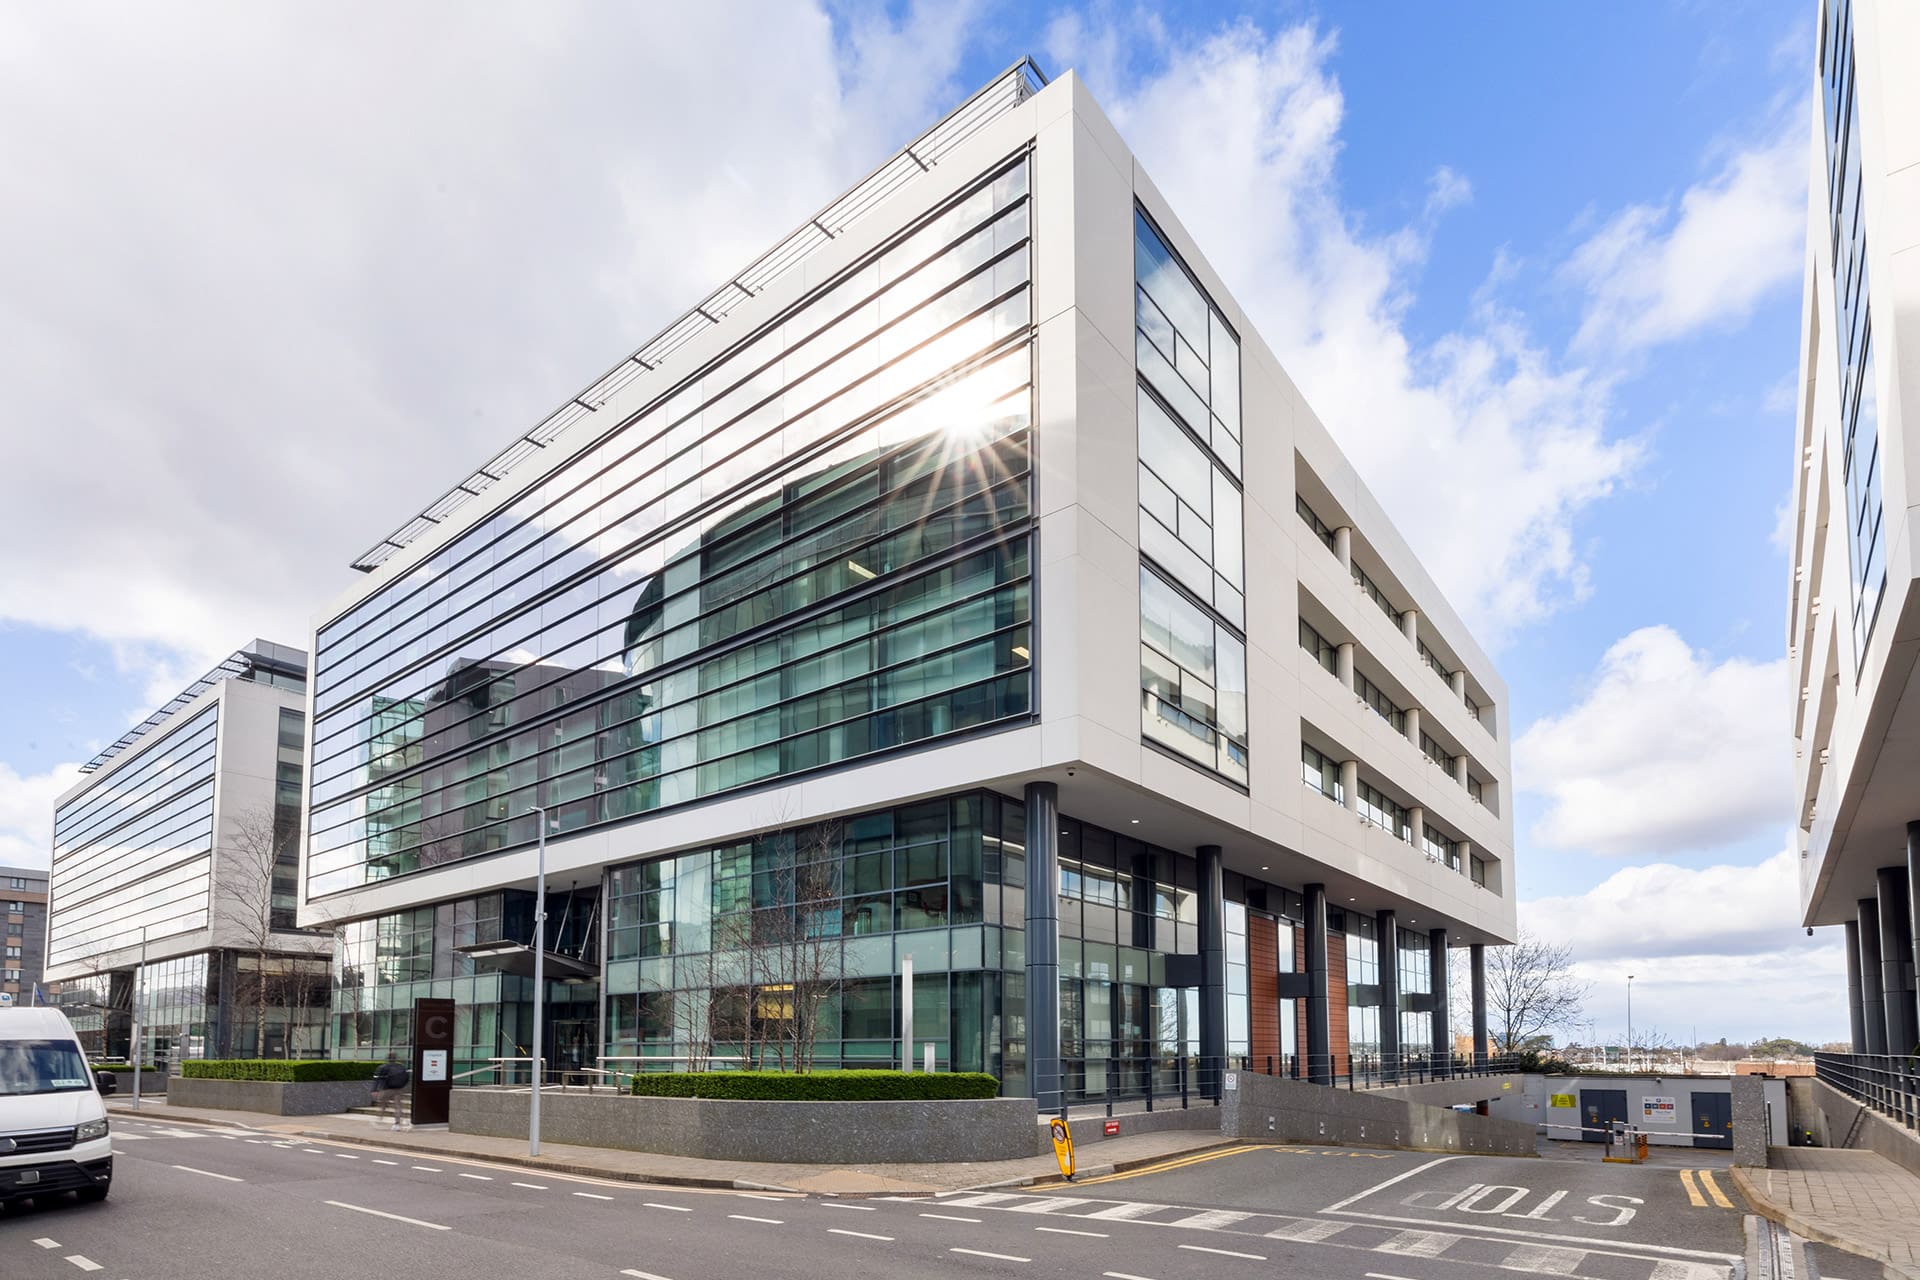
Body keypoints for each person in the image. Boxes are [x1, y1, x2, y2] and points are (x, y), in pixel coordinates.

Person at [371, 1052, 410, 1130]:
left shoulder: (383, 1067)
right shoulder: (401, 1067)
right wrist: (402, 1086)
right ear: (395, 1058)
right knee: (398, 1106)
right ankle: (397, 1124)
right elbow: (407, 1078)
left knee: (383, 1105)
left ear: (387, 1058)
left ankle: (379, 1120)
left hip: (386, 1089)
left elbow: (377, 1079)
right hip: (398, 1089)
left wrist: (374, 1089)